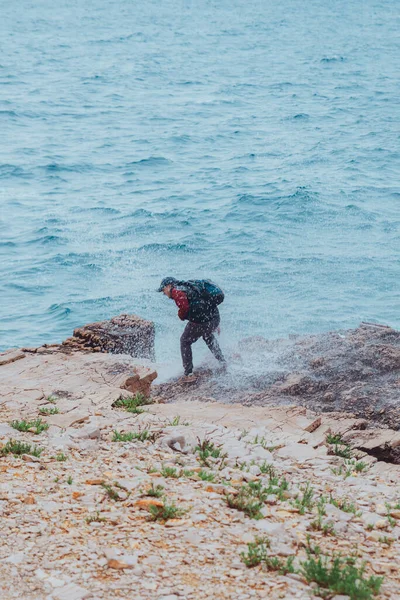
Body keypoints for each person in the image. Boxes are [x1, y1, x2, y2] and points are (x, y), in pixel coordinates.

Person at [158, 277, 226, 377]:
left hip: (201, 321)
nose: (164, 293)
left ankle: (188, 373)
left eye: (163, 290)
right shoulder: (190, 285)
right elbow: (207, 302)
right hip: (213, 318)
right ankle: (222, 361)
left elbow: (184, 306)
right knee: (208, 336)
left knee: (184, 341)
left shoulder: (176, 291)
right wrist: (214, 323)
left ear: (169, 286)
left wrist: (181, 315)